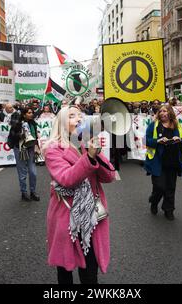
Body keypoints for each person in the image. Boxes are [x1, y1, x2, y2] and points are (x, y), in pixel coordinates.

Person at [43, 105, 116, 284]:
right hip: (66, 215)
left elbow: (109, 176)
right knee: (65, 267)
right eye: (72, 116)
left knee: (90, 268)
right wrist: (88, 158)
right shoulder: (53, 150)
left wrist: (95, 155)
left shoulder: (85, 144)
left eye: (80, 116)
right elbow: (66, 179)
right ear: (61, 123)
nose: (79, 119)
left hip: (90, 215)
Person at [144, 105, 182, 220]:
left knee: (170, 188)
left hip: (173, 162)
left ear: (170, 113)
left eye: (164, 111)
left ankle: (168, 210)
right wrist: (158, 141)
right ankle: (154, 202)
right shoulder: (154, 125)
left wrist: (180, 140)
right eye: (160, 111)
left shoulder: (177, 126)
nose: (162, 113)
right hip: (158, 162)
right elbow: (147, 140)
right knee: (159, 187)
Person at [7, 107, 40, 201]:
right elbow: (13, 135)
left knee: (33, 172)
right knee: (22, 172)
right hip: (20, 148)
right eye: (29, 113)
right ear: (24, 114)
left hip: (31, 148)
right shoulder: (17, 124)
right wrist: (21, 135)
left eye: (32, 112)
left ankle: (33, 191)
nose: (31, 114)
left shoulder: (33, 123)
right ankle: (24, 192)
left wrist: (37, 146)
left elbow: (35, 136)